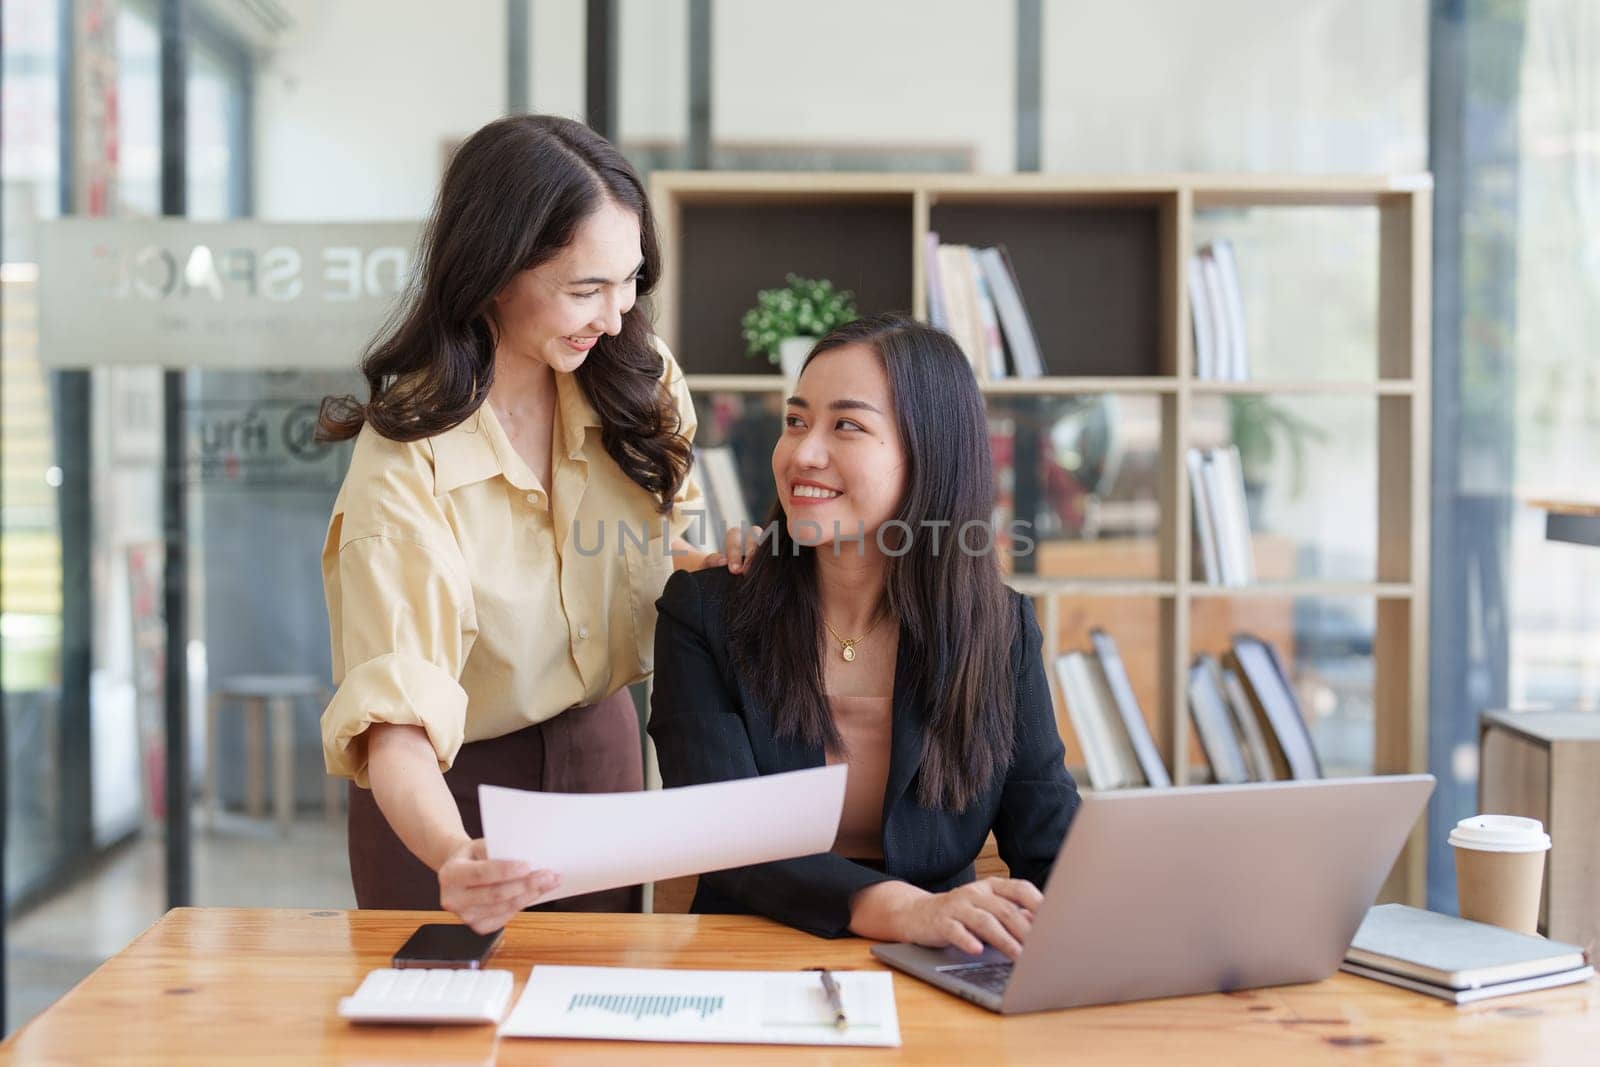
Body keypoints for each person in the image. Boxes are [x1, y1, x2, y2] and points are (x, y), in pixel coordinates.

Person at [318, 114, 718, 932]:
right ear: (496, 272)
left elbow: (662, 549)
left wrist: (723, 569)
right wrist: (454, 852)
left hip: (604, 757)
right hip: (447, 795)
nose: (615, 315)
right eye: (585, 289)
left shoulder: (640, 382)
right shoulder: (408, 457)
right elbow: (396, 723)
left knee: (594, 1038)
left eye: (630, 281)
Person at [649, 313, 1081, 958]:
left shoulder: (999, 629)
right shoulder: (706, 612)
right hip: (747, 955)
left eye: (846, 425)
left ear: (928, 452)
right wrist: (908, 910)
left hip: (938, 964)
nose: (802, 453)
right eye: (796, 421)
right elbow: (727, 836)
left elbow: (1049, 842)